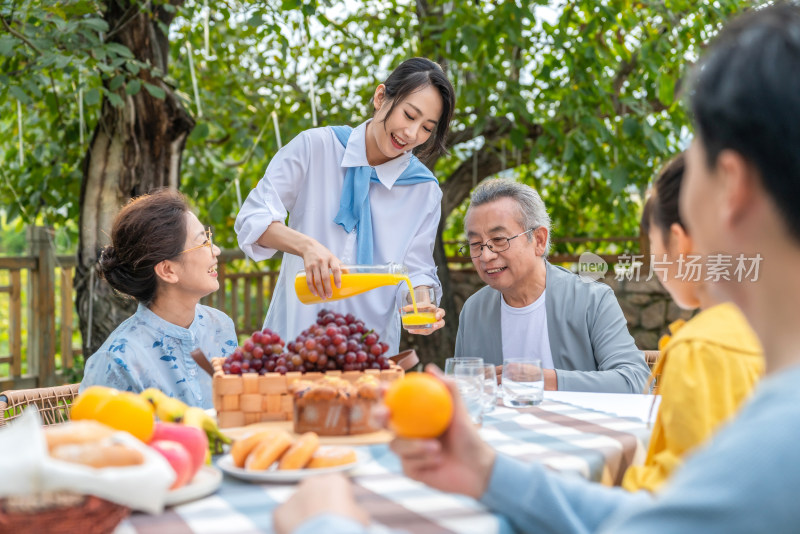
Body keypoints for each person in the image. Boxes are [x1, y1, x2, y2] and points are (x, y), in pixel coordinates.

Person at [274, 4, 800, 533]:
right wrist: (487, 472)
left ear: (731, 186)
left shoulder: (728, 382)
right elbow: (659, 520)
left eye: (693, 159)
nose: (485, 254)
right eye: (476, 243)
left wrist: (323, 520)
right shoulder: (772, 419)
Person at [235, 58, 455, 355]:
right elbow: (253, 219)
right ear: (381, 98)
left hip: (368, 351)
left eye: (427, 128)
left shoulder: (423, 190)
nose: (412, 134)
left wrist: (420, 302)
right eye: (409, 115)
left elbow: (416, 269)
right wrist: (306, 246)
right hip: (296, 340)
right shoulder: (315, 148)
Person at [621, 153, 763, 493]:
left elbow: (679, 494)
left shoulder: (699, 349)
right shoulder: (768, 329)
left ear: (679, 241)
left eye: (653, 247)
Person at [454, 179, 649, 393]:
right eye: (475, 244)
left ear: (538, 240)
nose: (486, 255)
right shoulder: (473, 310)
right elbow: (464, 391)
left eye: (499, 239)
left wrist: (544, 380)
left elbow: (636, 382)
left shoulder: (591, 300)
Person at [80, 189, 238, 409]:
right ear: (167, 270)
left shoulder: (220, 327)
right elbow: (100, 440)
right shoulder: (118, 361)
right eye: (203, 242)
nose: (216, 250)